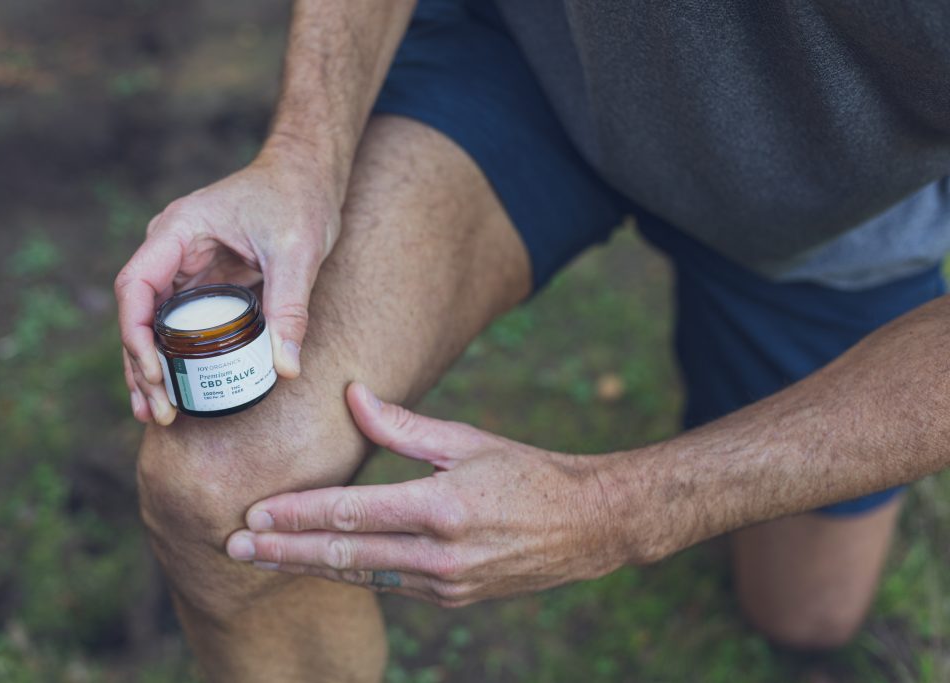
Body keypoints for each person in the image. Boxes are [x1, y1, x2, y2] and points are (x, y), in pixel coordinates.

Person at [114, 0, 950, 680]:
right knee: (228, 479)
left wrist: (617, 511)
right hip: (535, 74)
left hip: (834, 217)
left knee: (807, 613)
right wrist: (303, 154)